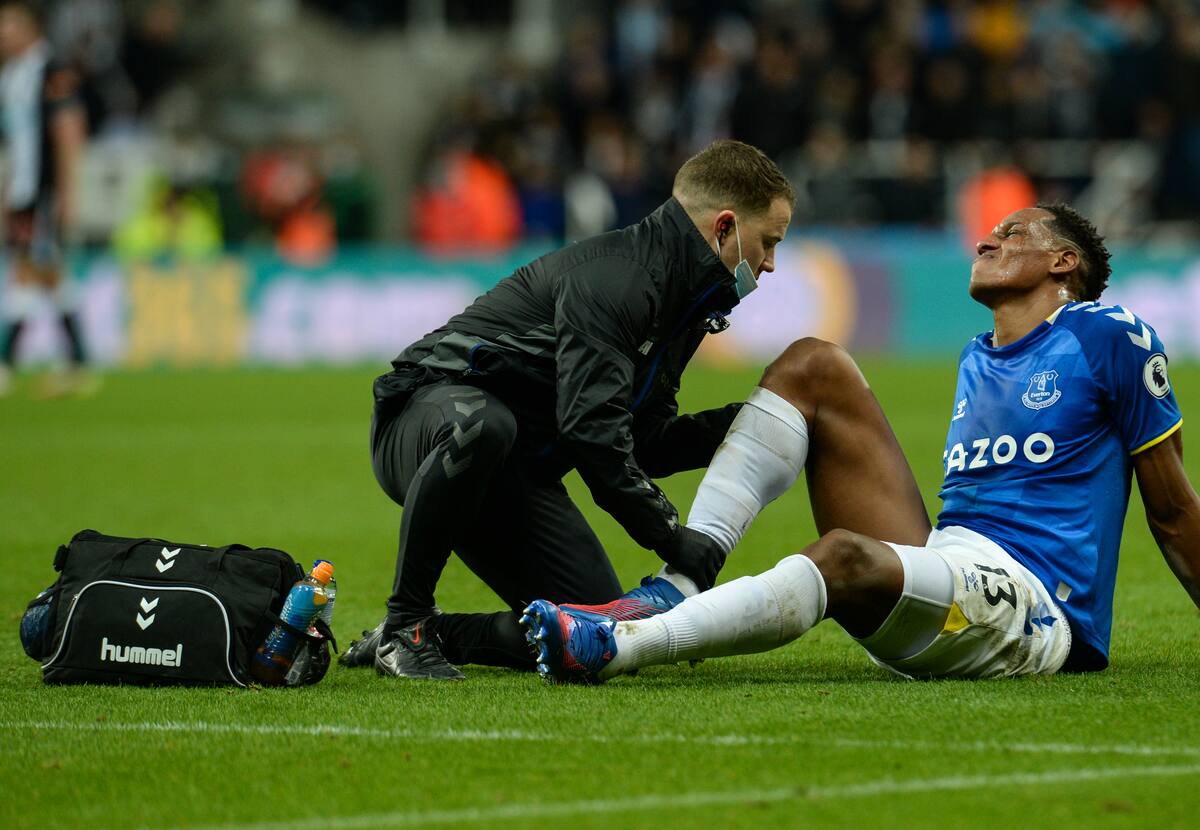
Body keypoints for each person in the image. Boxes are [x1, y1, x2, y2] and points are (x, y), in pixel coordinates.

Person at [526, 203, 1200, 683]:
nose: (985, 241)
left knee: (843, 557)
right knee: (813, 364)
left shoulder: (1109, 334)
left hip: (1032, 607)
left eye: (1012, 232)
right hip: (943, 572)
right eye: (989, 233)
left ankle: (623, 645)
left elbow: (1171, 508)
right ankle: (678, 582)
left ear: (1063, 261)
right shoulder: (978, 353)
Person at [341, 139, 796, 679]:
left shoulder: (686, 299)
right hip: (420, 424)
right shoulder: (619, 278)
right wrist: (672, 537)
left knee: (598, 634)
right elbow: (592, 433)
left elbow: (642, 441)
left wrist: (752, 422)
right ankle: (406, 624)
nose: (769, 264)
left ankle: (439, 635)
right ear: (724, 228)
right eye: (768, 243)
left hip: (511, 470)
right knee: (483, 423)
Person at [0, 0, 90, 397]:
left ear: (31, 28)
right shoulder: (10, 75)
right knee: (45, 273)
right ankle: (78, 360)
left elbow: (69, 130)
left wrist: (70, 192)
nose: (2, 33)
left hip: (45, 190)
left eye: (9, 25)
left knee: (30, 270)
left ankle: (7, 359)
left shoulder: (52, 70)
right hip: (20, 190)